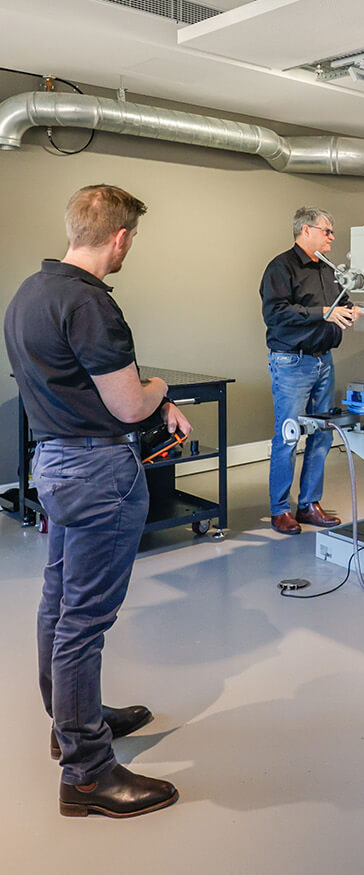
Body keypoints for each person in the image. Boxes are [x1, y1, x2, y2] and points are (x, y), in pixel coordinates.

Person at [4, 184, 191, 818]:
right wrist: (161, 388)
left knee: (59, 604)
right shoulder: (90, 305)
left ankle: (71, 723)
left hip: (54, 463)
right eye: (131, 237)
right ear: (119, 237)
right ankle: (87, 774)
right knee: (84, 622)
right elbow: (129, 404)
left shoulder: (31, 293)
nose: (129, 246)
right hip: (96, 471)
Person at [259, 207, 362, 535]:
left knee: (321, 434)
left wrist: (351, 310)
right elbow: (276, 314)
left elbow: (340, 305)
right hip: (292, 362)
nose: (332, 236)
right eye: (327, 231)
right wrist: (324, 313)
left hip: (323, 361)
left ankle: (309, 505)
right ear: (306, 230)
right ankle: (279, 510)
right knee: (288, 436)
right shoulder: (280, 267)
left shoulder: (330, 270)